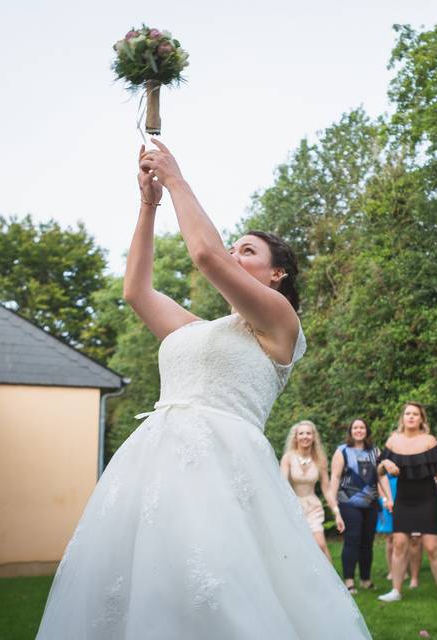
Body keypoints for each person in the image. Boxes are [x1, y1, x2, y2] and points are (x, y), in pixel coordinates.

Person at [36, 141, 370, 638]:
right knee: (147, 589)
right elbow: (136, 291)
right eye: (235, 246)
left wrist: (175, 179)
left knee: (219, 589)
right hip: (151, 467)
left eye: (248, 251)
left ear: (277, 273)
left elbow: (207, 255)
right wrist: (148, 206)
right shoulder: (199, 329)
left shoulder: (281, 324)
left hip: (224, 468)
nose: (235, 254)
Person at [377, 402, 437, 605]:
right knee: (399, 544)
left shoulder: (429, 441)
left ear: (421, 418)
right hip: (403, 499)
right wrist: (385, 463)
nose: (411, 417)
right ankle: (395, 590)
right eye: (408, 414)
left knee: (433, 546)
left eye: (415, 414)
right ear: (402, 418)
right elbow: (378, 472)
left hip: (427, 498)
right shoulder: (393, 441)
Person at [330, 418, 394, 593]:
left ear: (366, 431)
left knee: (367, 542)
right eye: (355, 427)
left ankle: (366, 579)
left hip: (371, 503)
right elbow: (335, 477)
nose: (359, 430)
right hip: (348, 502)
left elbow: (381, 476)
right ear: (351, 431)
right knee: (352, 540)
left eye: (362, 427)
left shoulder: (375, 451)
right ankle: (349, 581)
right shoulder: (342, 451)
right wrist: (333, 503)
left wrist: (389, 498)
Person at [280, 420, 344, 562]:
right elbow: (281, 485)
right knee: (296, 549)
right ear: (296, 437)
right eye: (301, 433)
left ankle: (331, 583)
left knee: (320, 545)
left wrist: (337, 513)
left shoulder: (319, 460)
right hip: (293, 507)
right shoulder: (288, 458)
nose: (305, 436)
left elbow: (326, 489)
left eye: (308, 433)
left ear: (314, 437)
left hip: (313, 507)